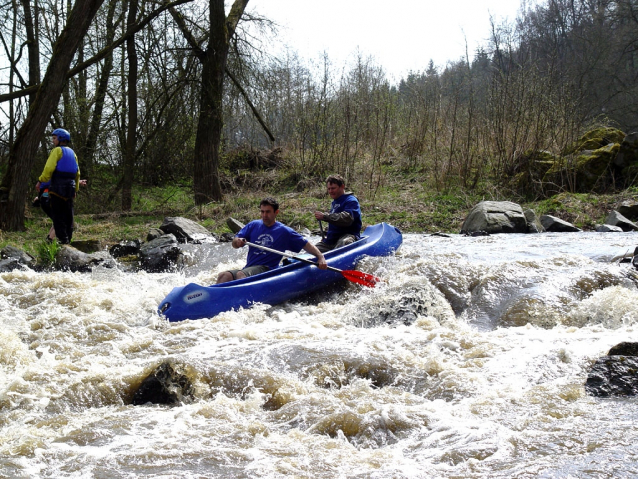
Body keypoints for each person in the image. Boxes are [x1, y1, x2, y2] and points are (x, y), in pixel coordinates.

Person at [217, 197, 328, 283]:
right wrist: (237, 241)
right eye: (262, 211)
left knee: (241, 275)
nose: (264, 215)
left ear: (276, 212)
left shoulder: (285, 231)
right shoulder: (253, 225)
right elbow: (234, 243)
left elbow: (306, 244)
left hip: (268, 270)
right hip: (249, 268)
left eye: (268, 212)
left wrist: (320, 257)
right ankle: (214, 299)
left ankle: (239, 300)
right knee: (223, 275)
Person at [35, 128, 80, 244]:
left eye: (54, 138)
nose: (53, 141)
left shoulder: (57, 151)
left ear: (60, 139)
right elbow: (77, 173)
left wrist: (41, 181)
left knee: (58, 216)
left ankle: (63, 242)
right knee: (68, 216)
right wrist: (76, 189)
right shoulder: (73, 153)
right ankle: (68, 240)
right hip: (70, 189)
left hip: (57, 189)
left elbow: (49, 168)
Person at [313, 174, 362, 253]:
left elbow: (347, 218)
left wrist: (325, 216)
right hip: (331, 240)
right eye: (329, 189)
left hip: (347, 236)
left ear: (342, 186)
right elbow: (335, 221)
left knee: (344, 243)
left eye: (333, 188)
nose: (330, 191)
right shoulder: (334, 202)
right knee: (311, 250)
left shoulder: (351, 200)